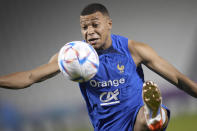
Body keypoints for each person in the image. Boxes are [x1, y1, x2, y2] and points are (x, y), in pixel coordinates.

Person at [0, 3, 197, 131]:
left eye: (95, 24)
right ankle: (153, 117)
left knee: (147, 121)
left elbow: (179, 79)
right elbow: (31, 77)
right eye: (85, 27)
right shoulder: (73, 57)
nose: (90, 31)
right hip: (108, 127)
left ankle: (153, 114)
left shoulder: (133, 50)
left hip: (136, 115)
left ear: (109, 24)